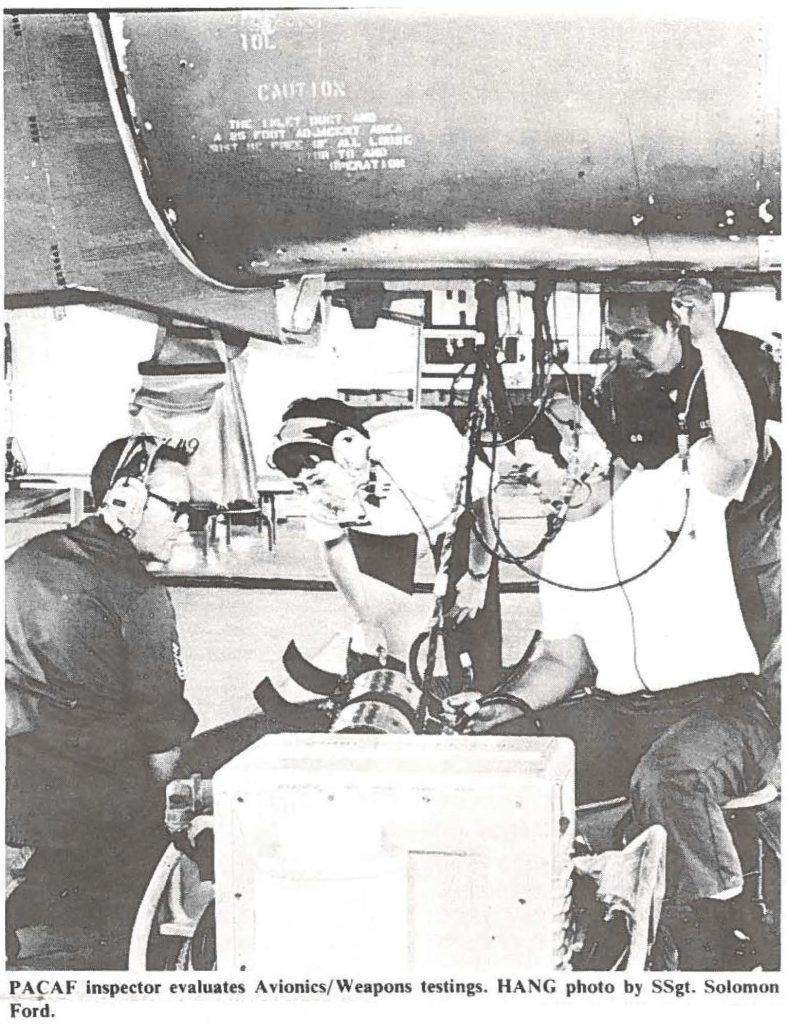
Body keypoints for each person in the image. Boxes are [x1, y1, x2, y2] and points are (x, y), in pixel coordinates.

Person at [448, 282, 779, 969]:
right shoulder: (564, 551)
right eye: (518, 480)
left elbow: (740, 448)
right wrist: (503, 707)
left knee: (668, 777)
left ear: (579, 447)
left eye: (533, 470)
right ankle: (518, 916)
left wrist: (704, 337)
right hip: (625, 710)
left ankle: (720, 936)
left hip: (725, 707)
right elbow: (558, 663)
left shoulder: (677, 486)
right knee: (497, 753)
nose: (534, 488)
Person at [5, 435, 274, 969]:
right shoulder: (140, 597)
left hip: (16, 792)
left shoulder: (27, 558)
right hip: (97, 822)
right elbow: (163, 749)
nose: (186, 522)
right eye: (176, 508)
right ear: (124, 501)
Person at [594, 280, 780, 720]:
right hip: (678, 530)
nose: (623, 351)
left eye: (638, 337)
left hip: (748, 522)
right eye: (614, 337)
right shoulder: (621, 384)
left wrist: (706, 337)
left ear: (673, 326)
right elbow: (628, 464)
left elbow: (748, 449)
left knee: (761, 643)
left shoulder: (742, 363)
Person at [270, 398, 501, 693]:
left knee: (469, 607)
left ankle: (482, 686)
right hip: (385, 525)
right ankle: (372, 686)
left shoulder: (429, 444)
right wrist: (365, 619)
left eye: (315, 474)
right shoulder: (319, 486)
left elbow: (485, 507)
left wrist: (478, 576)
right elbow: (333, 546)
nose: (312, 491)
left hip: (453, 510)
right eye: (302, 483)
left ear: (349, 451)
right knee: (377, 619)